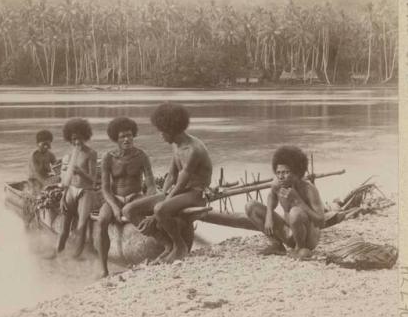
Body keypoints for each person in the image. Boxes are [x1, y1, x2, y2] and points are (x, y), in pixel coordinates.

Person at [123, 103, 212, 264]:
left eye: (162, 131)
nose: (160, 135)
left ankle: (180, 246)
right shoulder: (176, 144)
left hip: (196, 193)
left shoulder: (193, 150)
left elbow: (181, 183)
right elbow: (172, 175)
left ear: (172, 130)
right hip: (182, 191)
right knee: (129, 210)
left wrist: (155, 213)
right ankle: (167, 244)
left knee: (159, 209)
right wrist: (162, 194)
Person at [201, 146, 324, 260]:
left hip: (309, 239)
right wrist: (269, 216)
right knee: (251, 206)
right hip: (289, 233)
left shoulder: (309, 189)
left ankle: (300, 248)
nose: (281, 176)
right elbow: (272, 196)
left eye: (286, 172)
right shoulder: (278, 184)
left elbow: (321, 221)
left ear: (297, 172)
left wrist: (298, 201)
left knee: (295, 212)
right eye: (278, 172)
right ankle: (277, 245)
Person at [93, 117, 156, 278]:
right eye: (122, 136)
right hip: (115, 197)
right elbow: (105, 188)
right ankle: (103, 268)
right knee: (101, 221)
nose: (127, 139)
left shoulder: (142, 156)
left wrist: (149, 202)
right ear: (116, 139)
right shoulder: (108, 157)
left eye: (129, 135)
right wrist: (114, 207)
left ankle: (159, 246)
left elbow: (151, 185)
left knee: (146, 217)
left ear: (133, 135)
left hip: (136, 196)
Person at [57, 118, 98, 256]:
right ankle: (59, 253)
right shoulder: (68, 156)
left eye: (79, 138)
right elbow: (66, 180)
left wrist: (80, 172)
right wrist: (63, 198)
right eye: (74, 139)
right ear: (69, 139)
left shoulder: (91, 154)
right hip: (70, 191)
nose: (77, 142)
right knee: (63, 229)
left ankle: (75, 257)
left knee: (81, 226)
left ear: (85, 137)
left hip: (86, 191)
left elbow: (93, 180)